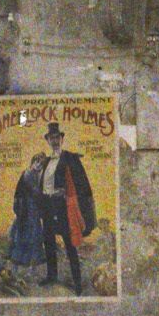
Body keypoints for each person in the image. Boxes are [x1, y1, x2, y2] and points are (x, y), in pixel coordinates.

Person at [34, 121, 97, 296]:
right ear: (48, 141)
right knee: (49, 241)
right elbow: (40, 185)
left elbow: (81, 183)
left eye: (57, 137)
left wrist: (66, 193)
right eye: (51, 138)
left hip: (62, 207)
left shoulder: (69, 158)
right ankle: (52, 275)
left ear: (62, 139)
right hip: (47, 206)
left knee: (69, 244)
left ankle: (77, 283)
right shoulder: (45, 162)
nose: (54, 141)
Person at [7, 153, 47, 269]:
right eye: (37, 162)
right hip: (27, 208)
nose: (39, 165)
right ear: (33, 162)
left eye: (41, 164)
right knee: (28, 233)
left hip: (32, 208)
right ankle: (23, 261)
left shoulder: (36, 175)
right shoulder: (28, 174)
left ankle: (32, 262)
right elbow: (34, 191)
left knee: (34, 234)